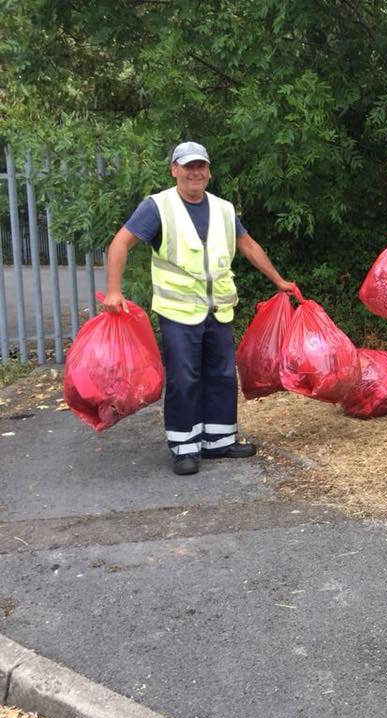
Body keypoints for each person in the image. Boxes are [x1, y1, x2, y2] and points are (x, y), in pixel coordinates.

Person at [103, 141, 293, 475]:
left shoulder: (222, 208)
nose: (195, 172)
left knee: (220, 374)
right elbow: (120, 243)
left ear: (209, 171)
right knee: (184, 378)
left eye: (201, 166)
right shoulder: (157, 207)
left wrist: (278, 280)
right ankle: (184, 447)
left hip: (218, 309)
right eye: (188, 166)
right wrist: (114, 291)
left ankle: (219, 441)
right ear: (174, 169)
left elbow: (248, 245)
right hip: (178, 312)